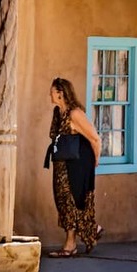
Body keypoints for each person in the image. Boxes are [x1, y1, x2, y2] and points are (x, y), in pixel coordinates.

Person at [45, 77, 104, 257]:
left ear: (61, 93)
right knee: (63, 201)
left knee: (74, 200)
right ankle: (93, 229)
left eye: (53, 91)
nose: (50, 94)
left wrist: (95, 161)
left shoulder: (75, 114)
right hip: (61, 164)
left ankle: (71, 245)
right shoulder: (58, 112)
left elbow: (95, 138)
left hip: (78, 163)